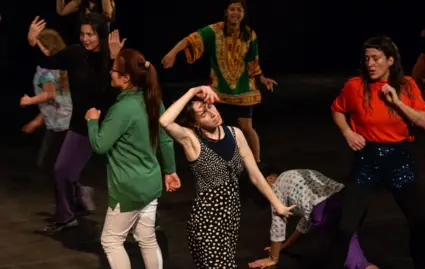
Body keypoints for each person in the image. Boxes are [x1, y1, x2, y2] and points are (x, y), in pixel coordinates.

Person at [158, 86, 294, 268]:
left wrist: (277, 204)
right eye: (203, 113)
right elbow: (165, 121)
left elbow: (255, 175)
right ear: (195, 123)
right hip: (207, 220)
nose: (213, 113)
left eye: (210, 106)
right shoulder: (191, 139)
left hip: (231, 217)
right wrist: (193, 91)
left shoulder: (234, 133)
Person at [328, 36, 425, 269]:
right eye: (367, 59)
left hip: (399, 160)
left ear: (390, 60)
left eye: (376, 58)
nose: (370, 64)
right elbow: (337, 110)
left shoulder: (407, 86)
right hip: (367, 159)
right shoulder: (354, 86)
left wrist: (397, 102)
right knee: (346, 225)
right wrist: (347, 132)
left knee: (419, 222)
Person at [85, 48, 180, 269]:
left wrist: (92, 121)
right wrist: (170, 170)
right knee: (147, 238)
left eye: (114, 70)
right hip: (150, 183)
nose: (110, 73)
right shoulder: (153, 101)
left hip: (129, 188)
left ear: (126, 78)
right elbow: (165, 140)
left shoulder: (123, 109)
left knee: (111, 240)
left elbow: (100, 145)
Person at [27, 13, 122, 233]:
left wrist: (116, 61)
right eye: (83, 34)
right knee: (62, 170)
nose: (86, 38)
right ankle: (66, 216)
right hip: (81, 124)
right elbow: (47, 62)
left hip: (109, 124)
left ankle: (144, 221)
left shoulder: (111, 58)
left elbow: (111, 95)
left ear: (101, 35)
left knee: (125, 177)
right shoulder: (75, 53)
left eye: (91, 34)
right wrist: (33, 42)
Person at [161, 0, 277, 164]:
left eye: (239, 10)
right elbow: (191, 40)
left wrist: (262, 78)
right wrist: (173, 53)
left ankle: (257, 163)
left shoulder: (249, 34)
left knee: (246, 127)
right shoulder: (214, 31)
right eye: (232, 9)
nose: (235, 13)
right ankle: (218, 162)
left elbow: (253, 62)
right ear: (226, 12)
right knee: (216, 127)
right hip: (219, 89)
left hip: (244, 89)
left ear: (243, 15)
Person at [248, 168, 379, 269]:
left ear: (270, 178)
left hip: (327, 211)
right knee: (351, 255)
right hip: (350, 200)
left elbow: (278, 224)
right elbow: (306, 221)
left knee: (356, 262)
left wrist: (273, 258)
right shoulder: (296, 174)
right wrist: (285, 245)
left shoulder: (276, 188)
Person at [20, 29, 72, 174]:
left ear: (48, 50)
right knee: (50, 163)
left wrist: (29, 100)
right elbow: (55, 102)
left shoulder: (47, 70)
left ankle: (75, 190)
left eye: (39, 46)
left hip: (61, 123)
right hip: (60, 121)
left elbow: (50, 95)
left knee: (49, 164)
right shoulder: (57, 67)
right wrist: (38, 120)